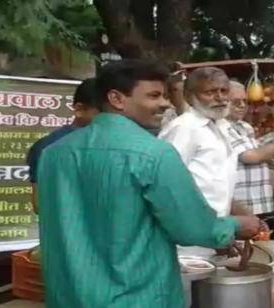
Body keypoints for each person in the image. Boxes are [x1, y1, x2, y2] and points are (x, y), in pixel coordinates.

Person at [37, 60, 260, 308]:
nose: (165, 103)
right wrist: (233, 225)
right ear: (117, 99)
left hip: (68, 295)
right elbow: (192, 229)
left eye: (164, 95)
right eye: (154, 96)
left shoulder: (53, 154)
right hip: (137, 295)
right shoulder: (154, 154)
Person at [159, 67, 237, 218]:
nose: (220, 98)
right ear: (188, 97)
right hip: (190, 226)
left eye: (224, 91)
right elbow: (167, 182)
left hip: (217, 225)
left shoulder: (222, 126)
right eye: (210, 92)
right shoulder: (184, 128)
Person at [26, 78, 98, 212]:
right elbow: (39, 204)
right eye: (102, 113)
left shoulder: (128, 146)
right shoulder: (48, 147)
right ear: (79, 109)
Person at [227, 81, 274, 218]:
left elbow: (262, 157)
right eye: (236, 102)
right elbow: (250, 156)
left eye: (245, 101)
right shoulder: (221, 127)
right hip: (242, 206)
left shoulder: (245, 127)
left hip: (261, 201)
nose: (242, 106)